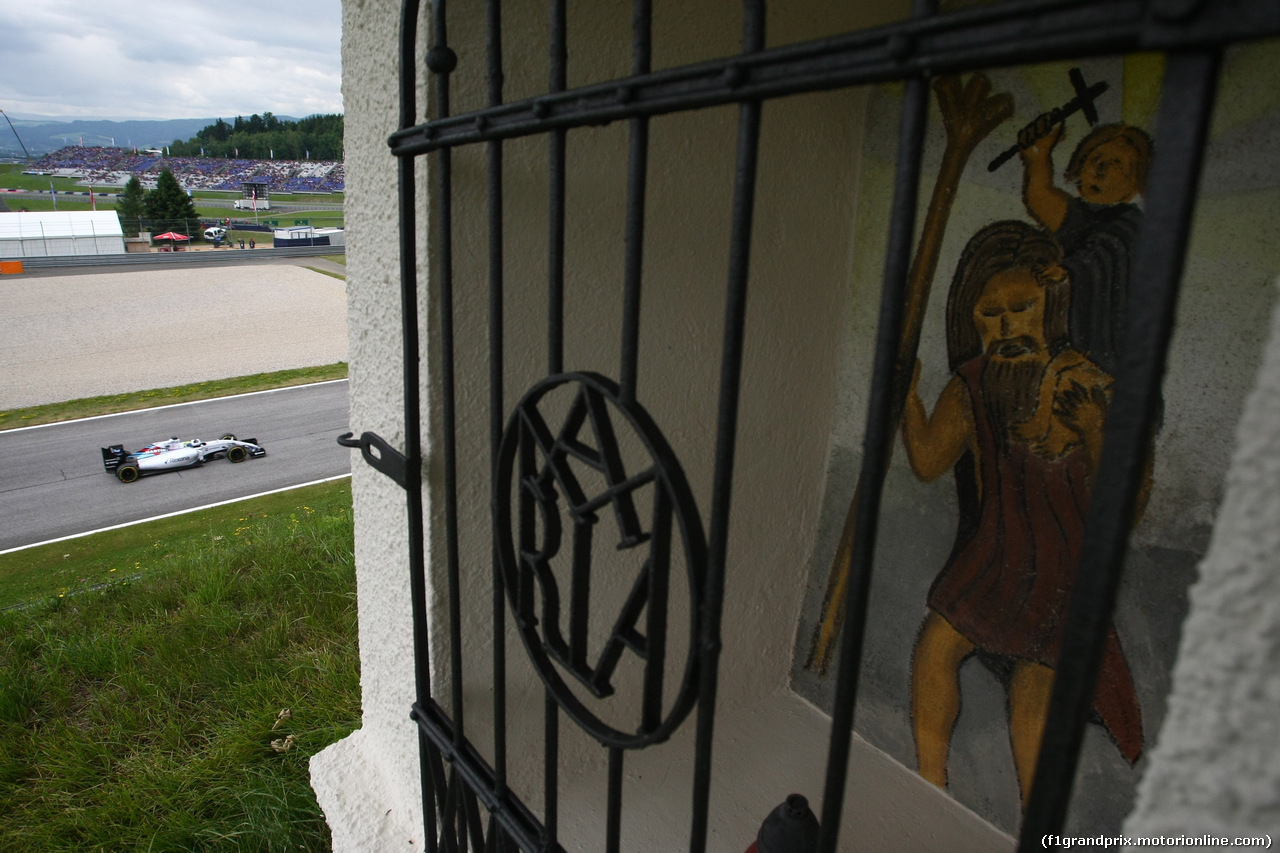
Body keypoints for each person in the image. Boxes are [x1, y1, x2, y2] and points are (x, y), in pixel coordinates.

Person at [901, 220, 1142, 807]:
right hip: (996, 552)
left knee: (1035, 695)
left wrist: (1094, 432)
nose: (1006, 326)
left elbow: (1125, 505)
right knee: (935, 645)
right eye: (990, 314)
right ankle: (927, 787)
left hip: (1063, 564)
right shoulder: (973, 385)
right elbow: (930, 458)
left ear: (1051, 306)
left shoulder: (1090, 385)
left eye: (1021, 307)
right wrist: (905, 394)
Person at [1019, 122, 1152, 375]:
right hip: (1078, 333)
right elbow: (1041, 197)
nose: (1100, 167)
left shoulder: (1132, 223)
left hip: (1113, 337)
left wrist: (1071, 271)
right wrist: (1039, 156)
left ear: (1136, 181)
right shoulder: (1084, 217)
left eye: (1117, 163)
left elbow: (1107, 251)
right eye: (1095, 158)